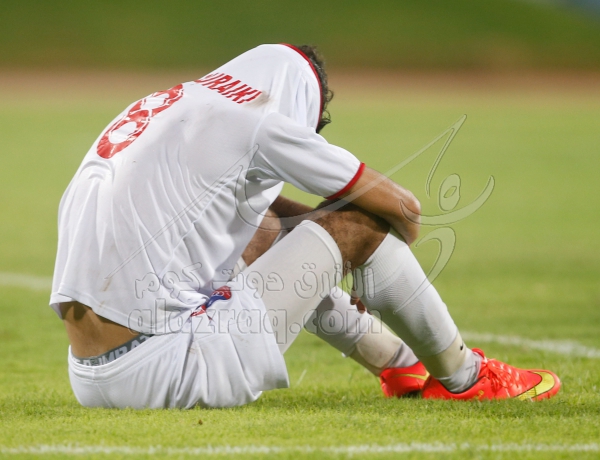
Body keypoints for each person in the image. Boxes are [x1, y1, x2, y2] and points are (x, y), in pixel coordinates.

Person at [50, 44, 560, 409]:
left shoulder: (165, 105)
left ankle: (401, 364)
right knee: (358, 223)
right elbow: (404, 210)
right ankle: (468, 377)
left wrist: (322, 251)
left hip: (91, 378)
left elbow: (255, 217)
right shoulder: (256, 119)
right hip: (168, 365)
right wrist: (363, 257)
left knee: (265, 230)